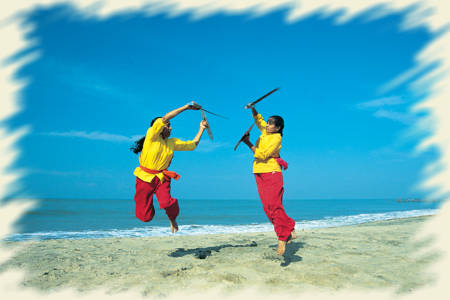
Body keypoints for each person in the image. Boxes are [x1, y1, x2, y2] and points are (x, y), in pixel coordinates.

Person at [130, 102, 208, 233]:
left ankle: (172, 219)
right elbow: (165, 118)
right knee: (144, 217)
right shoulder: (152, 136)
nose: (170, 128)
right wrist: (186, 107)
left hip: (162, 178)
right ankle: (149, 209)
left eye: (170, 126)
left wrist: (201, 128)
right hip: (144, 177)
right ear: (159, 127)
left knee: (166, 203)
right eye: (168, 126)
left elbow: (192, 145)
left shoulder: (172, 142)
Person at [242, 106, 296, 255]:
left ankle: (282, 237)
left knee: (274, 205)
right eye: (268, 122)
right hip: (258, 172)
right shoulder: (265, 132)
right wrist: (253, 109)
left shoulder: (276, 138)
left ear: (278, 127)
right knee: (267, 207)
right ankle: (289, 226)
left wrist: (248, 143)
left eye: (271, 123)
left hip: (272, 172)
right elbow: (259, 121)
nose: (267, 124)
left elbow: (263, 154)